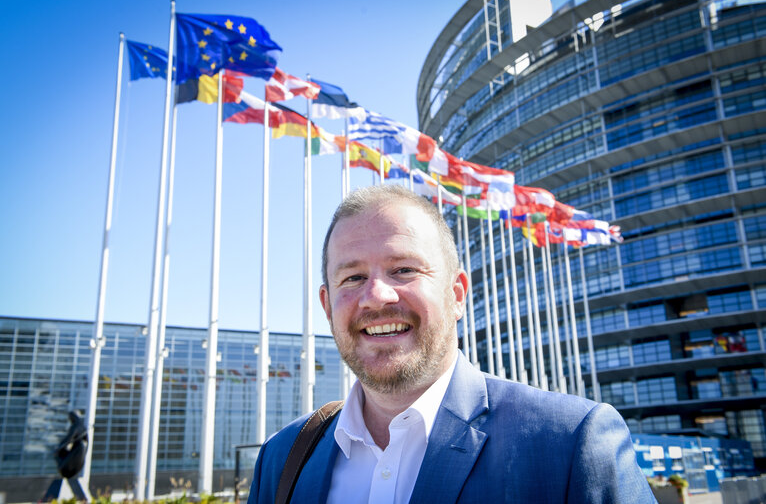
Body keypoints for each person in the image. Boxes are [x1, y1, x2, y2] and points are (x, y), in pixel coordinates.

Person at [247, 185, 656, 503]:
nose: (376, 296)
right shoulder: (281, 459)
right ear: (327, 304)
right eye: (352, 278)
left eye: (403, 269)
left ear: (457, 294)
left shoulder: (570, 444)